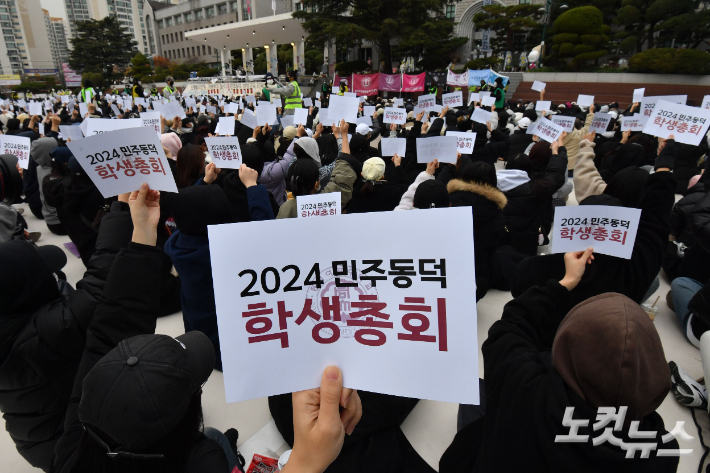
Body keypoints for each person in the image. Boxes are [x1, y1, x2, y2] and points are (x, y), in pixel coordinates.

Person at [440, 249, 680, 473]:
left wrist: (566, 282)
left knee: (475, 395)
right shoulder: (663, 451)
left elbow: (511, 325)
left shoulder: (523, 387)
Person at [0, 198, 132, 471]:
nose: (56, 276)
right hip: (84, 444)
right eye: (48, 274)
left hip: (39, 442)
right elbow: (101, 282)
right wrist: (118, 211)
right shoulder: (51, 329)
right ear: (27, 292)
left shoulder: (16, 328)